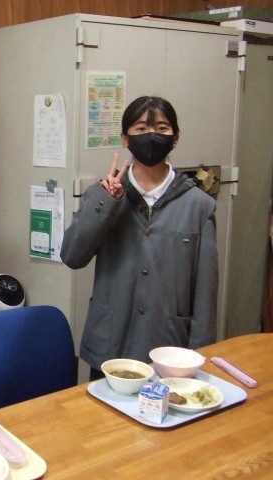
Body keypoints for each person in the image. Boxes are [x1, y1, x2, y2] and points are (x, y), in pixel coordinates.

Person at [60, 96, 218, 380]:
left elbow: (206, 292)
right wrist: (106, 203)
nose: (151, 135)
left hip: (170, 349)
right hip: (111, 345)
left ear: (175, 139)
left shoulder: (198, 205)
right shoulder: (102, 196)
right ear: (125, 139)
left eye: (161, 128)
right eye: (141, 128)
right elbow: (72, 256)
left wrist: (199, 354)